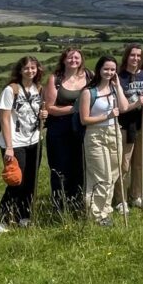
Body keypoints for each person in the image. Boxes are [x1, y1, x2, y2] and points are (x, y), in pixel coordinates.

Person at [0, 56, 47, 233]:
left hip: (35, 140)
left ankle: (24, 216)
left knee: (31, 181)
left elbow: (35, 113)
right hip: (15, 143)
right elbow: (5, 118)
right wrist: (8, 146)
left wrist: (43, 115)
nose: (30, 71)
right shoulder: (11, 90)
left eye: (33, 68)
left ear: (38, 69)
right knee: (17, 181)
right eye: (26, 68)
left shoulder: (39, 88)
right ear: (20, 70)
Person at [79, 56, 130, 226]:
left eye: (112, 70)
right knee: (102, 176)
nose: (109, 72)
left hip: (114, 131)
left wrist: (118, 87)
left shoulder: (115, 89)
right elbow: (84, 119)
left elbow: (123, 108)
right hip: (95, 135)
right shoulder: (88, 91)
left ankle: (105, 210)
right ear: (99, 69)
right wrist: (106, 116)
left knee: (115, 173)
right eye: (106, 69)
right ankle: (95, 215)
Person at [42, 47, 90, 215]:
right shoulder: (55, 79)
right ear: (63, 60)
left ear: (81, 60)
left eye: (76, 58)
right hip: (59, 129)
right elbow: (50, 108)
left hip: (83, 127)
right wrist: (74, 109)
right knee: (60, 168)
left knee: (80, 167)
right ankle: (59, 206)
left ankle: (77, 203)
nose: (73, 61)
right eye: (70, 58)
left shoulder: (89, 76)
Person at [115, 44, 143, 211]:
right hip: (124, 125)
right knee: (123, 164)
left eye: (139, 56)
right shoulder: (119, 76)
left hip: (142, 124)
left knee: (139, 163)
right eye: (133, 55)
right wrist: (136, 103)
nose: (136, 59)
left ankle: (137, 195)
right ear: (127, 56)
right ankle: (120, 199)